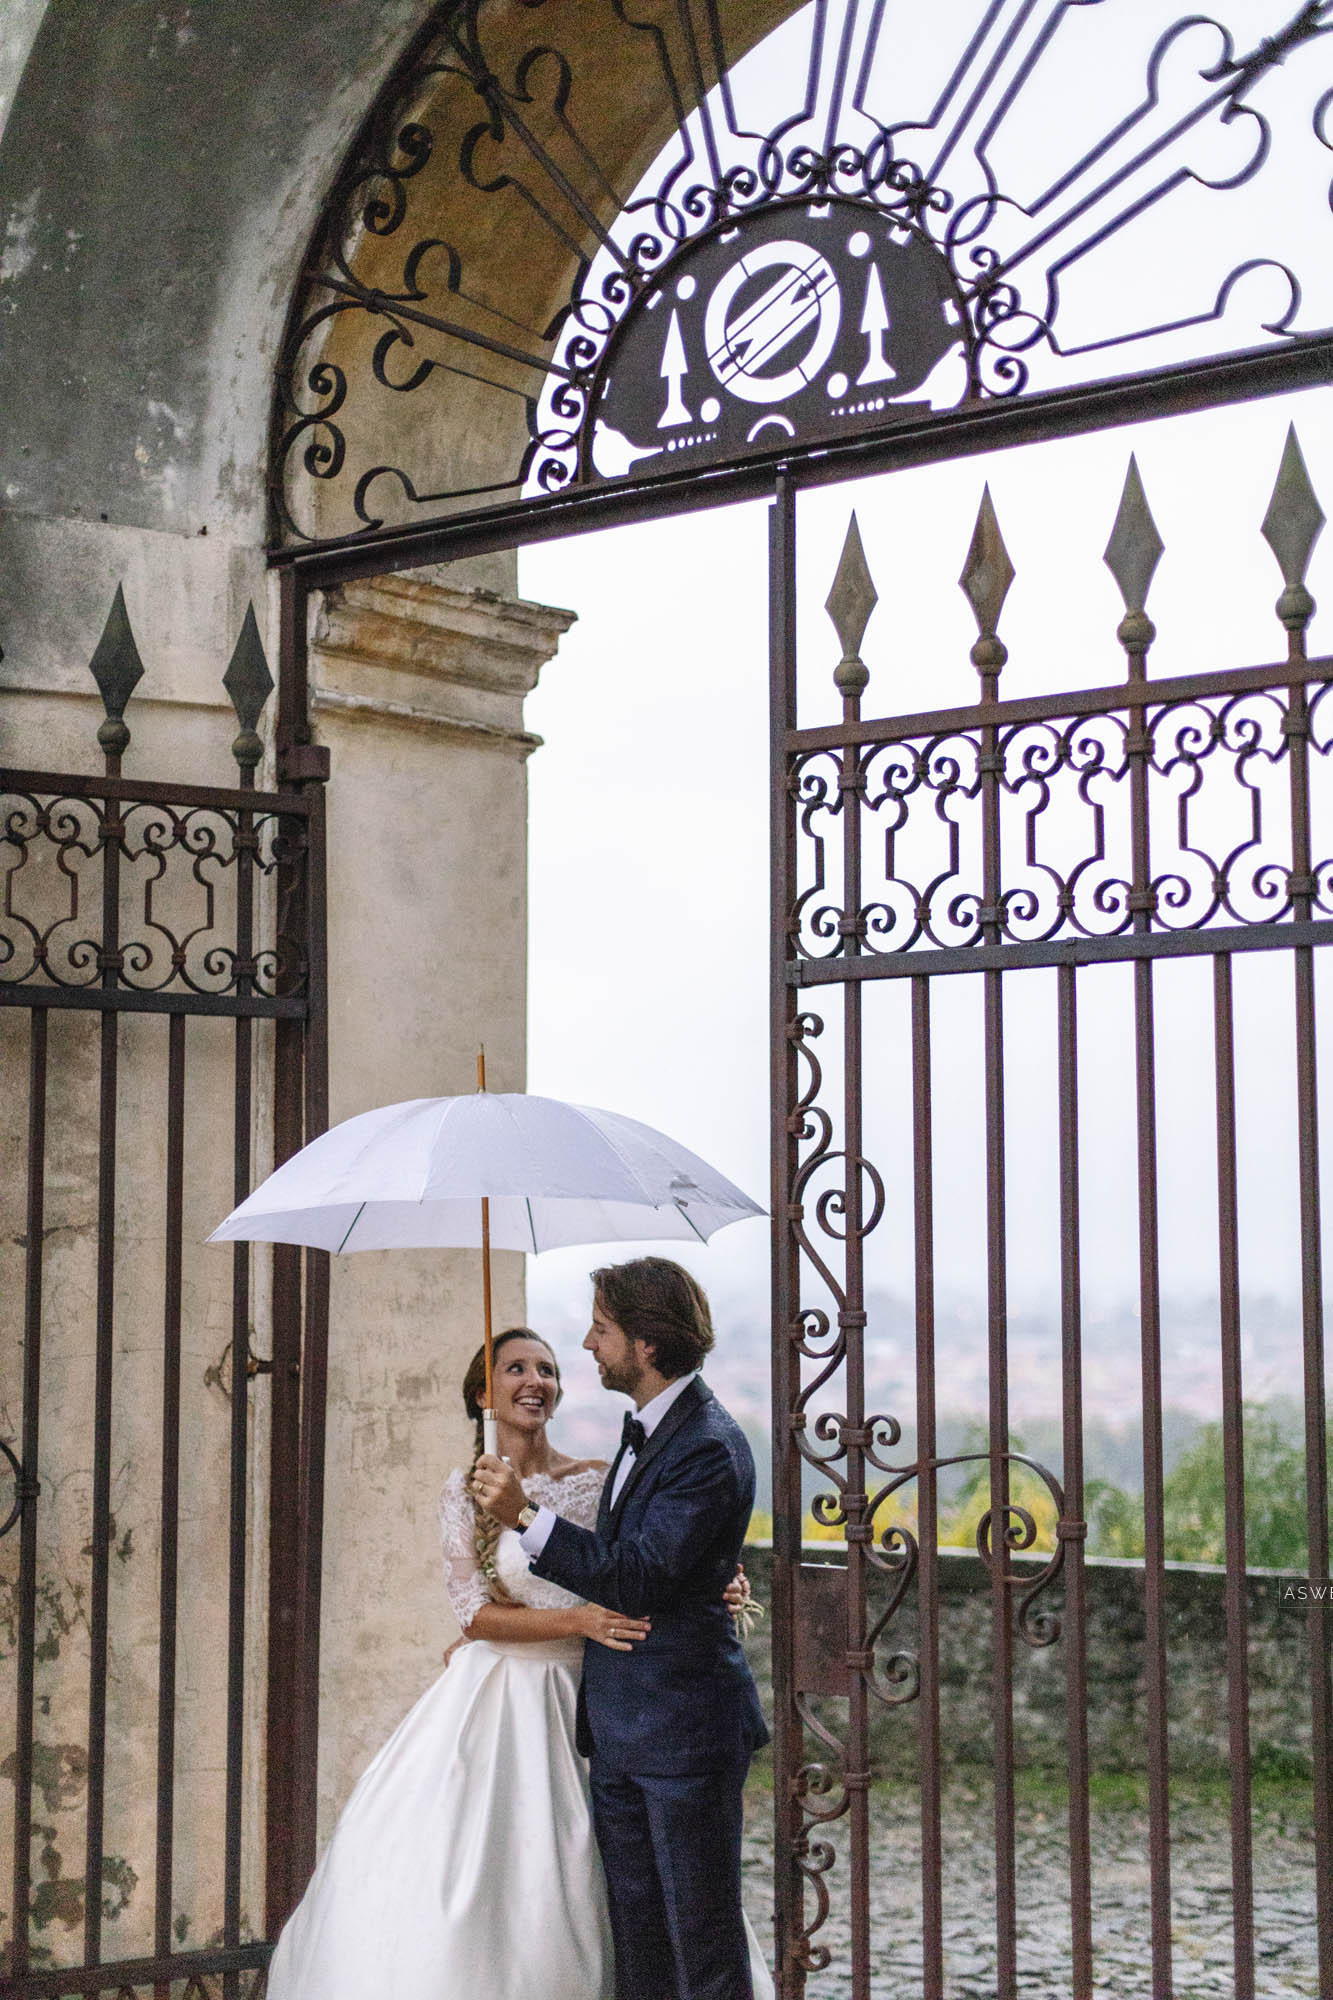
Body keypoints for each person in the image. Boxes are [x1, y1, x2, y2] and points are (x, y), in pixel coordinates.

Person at [265, 1321, 772, 1999]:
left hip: (606, 1699)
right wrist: (578, 1619)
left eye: (547, 1370)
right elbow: (472, 1615)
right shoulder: (467, 1493)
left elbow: (652, 1563)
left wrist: (722, 1581)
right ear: (483, 1393)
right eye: (515, 1369)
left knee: (643, 1889)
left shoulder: (597, 1482)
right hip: (507, 1699)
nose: (534, 1381)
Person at [473, 1257, 770, 2000]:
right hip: (620, 1733)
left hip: (683, 1734)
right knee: (638, 1945)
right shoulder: (644, 1432)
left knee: (701, 1946)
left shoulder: (706, 1443)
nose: (586, 1344)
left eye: (601, 1330)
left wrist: (524, 1516)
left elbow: (636, 1577)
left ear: (645, 1343)